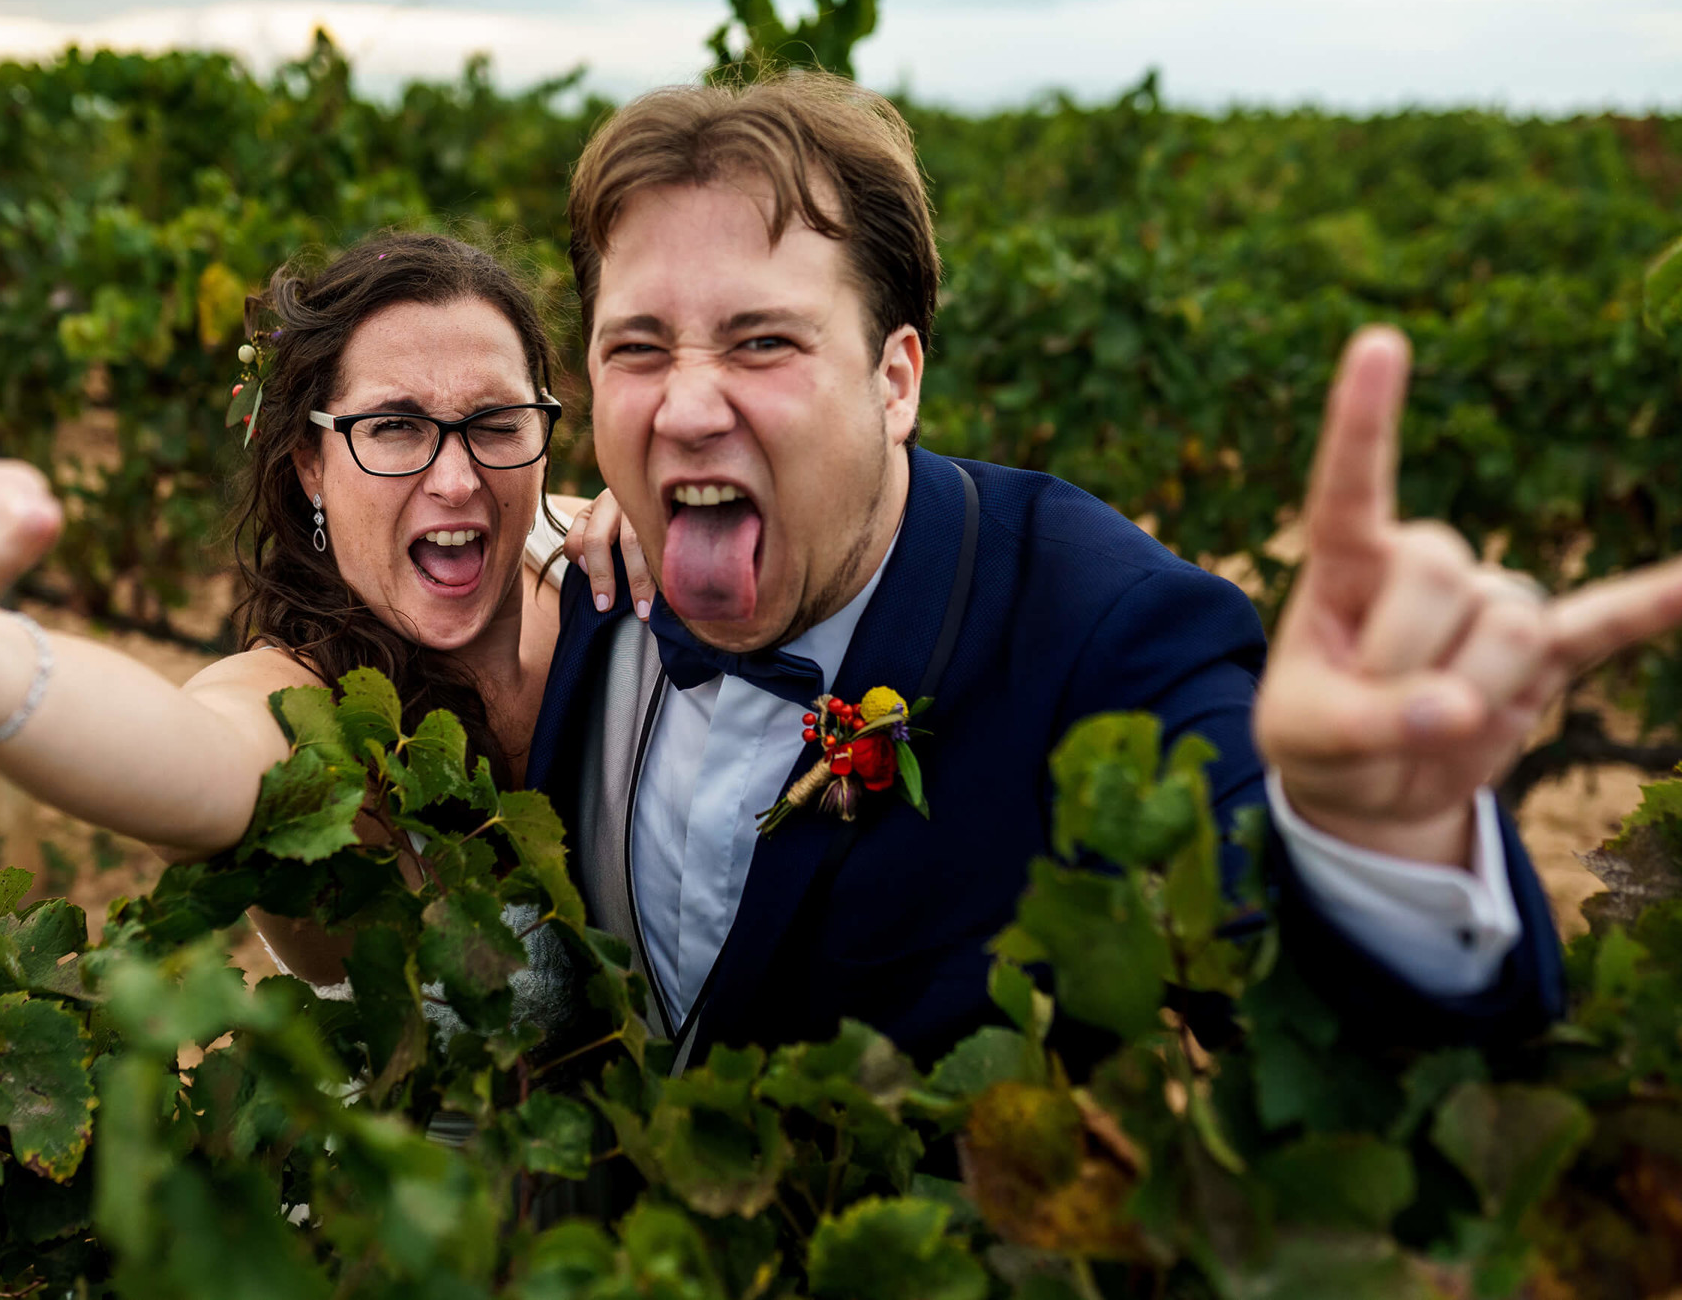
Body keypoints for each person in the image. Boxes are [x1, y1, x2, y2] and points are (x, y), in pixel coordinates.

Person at [534, 72, 1682, 1071]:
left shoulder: (1098, 622)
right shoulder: (580, 590)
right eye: (637, 347)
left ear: (895, 381)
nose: (683, 407)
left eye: (761, 341)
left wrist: (1378, 849)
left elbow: (1321, 1022)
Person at [0, 233, 646, 991]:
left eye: (496, 422)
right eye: (394, 426)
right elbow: (190, 759)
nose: (456, 479)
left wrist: (657, 518)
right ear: (311, 461)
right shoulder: (295, 703)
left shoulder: (592, 550)